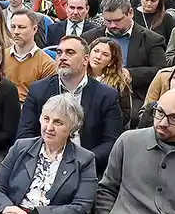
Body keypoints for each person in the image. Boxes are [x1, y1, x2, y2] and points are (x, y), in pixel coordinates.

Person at [19, 35, 124, 171]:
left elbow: (111, 142)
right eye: (59, 53)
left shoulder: (106, 95)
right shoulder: (38, 89)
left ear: (86, 60)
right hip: (42, 164)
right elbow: (24, 134)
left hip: (86, 167)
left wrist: (82, 162)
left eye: (70, 53)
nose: (62, 57)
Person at [82, 0, 167, 99]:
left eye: (117, 20)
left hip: (134, 97)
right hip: (91, 94)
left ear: (130, 13)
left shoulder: (152, 40)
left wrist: (130, 74)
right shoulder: (89, 37)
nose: (112, 25)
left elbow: (161, 70)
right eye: (108, 21)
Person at [6, 10, 55, 102]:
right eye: (13, 27)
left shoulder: (47, 64)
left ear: (34, 29)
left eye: (21, 27)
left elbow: (45, 100)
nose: (16, 32)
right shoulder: (0, 57)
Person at [87, 37, 133, 123]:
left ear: (111, 61)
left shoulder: (119, 82)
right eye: (96, 51)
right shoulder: (77, 75)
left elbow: (125, 114)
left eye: (105, 54)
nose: (98, 57)